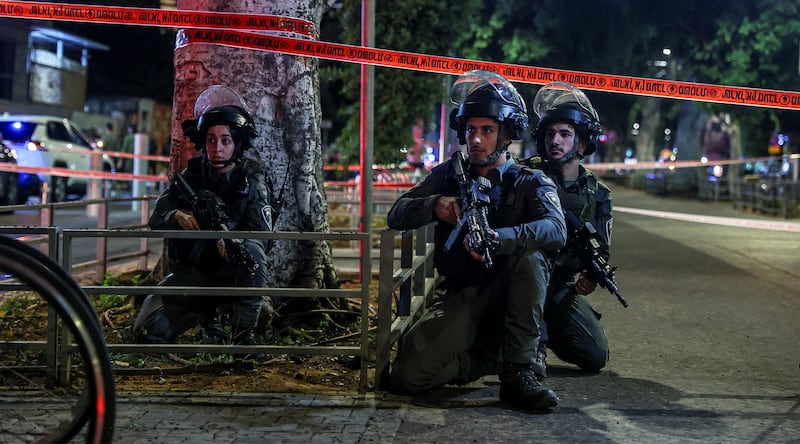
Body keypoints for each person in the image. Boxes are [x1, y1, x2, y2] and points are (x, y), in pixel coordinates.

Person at [384, 70, 566, 411]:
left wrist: (500, 239)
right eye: (471, 130)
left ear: (507, 134)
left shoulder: (530, 181)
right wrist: (435, 205)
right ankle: (490, 358)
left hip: (513, 295)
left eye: (487, 130)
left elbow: (556, 229)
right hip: (464, 293)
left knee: (531, 258)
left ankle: (518, 373)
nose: (476, 139)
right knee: (406, 378)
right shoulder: (450, 175)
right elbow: (397, 214)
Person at [134, 85, 274, 346]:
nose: (217, 148)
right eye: (211, 139)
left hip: (231, 275)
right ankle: (205, 318)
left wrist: (234, 240)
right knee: (148, 334)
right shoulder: (192, 176)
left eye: (225, 140)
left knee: (253, 254)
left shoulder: (251, 179)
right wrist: (177, 215)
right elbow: (157, 217)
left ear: (237, 143)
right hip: (194, 275)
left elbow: (262, 235)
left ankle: (243, 335)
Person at [525, 81, 612, 379]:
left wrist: (591, 276)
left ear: (583, 143)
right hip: (515, 282)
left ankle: (539, 335)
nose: (555, 140)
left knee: (595, 354)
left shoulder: (597, 195)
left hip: (559, 287)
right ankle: (525, 346)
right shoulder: (525, 176)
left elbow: (600, 245)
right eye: (550, 133)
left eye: (565, 134)